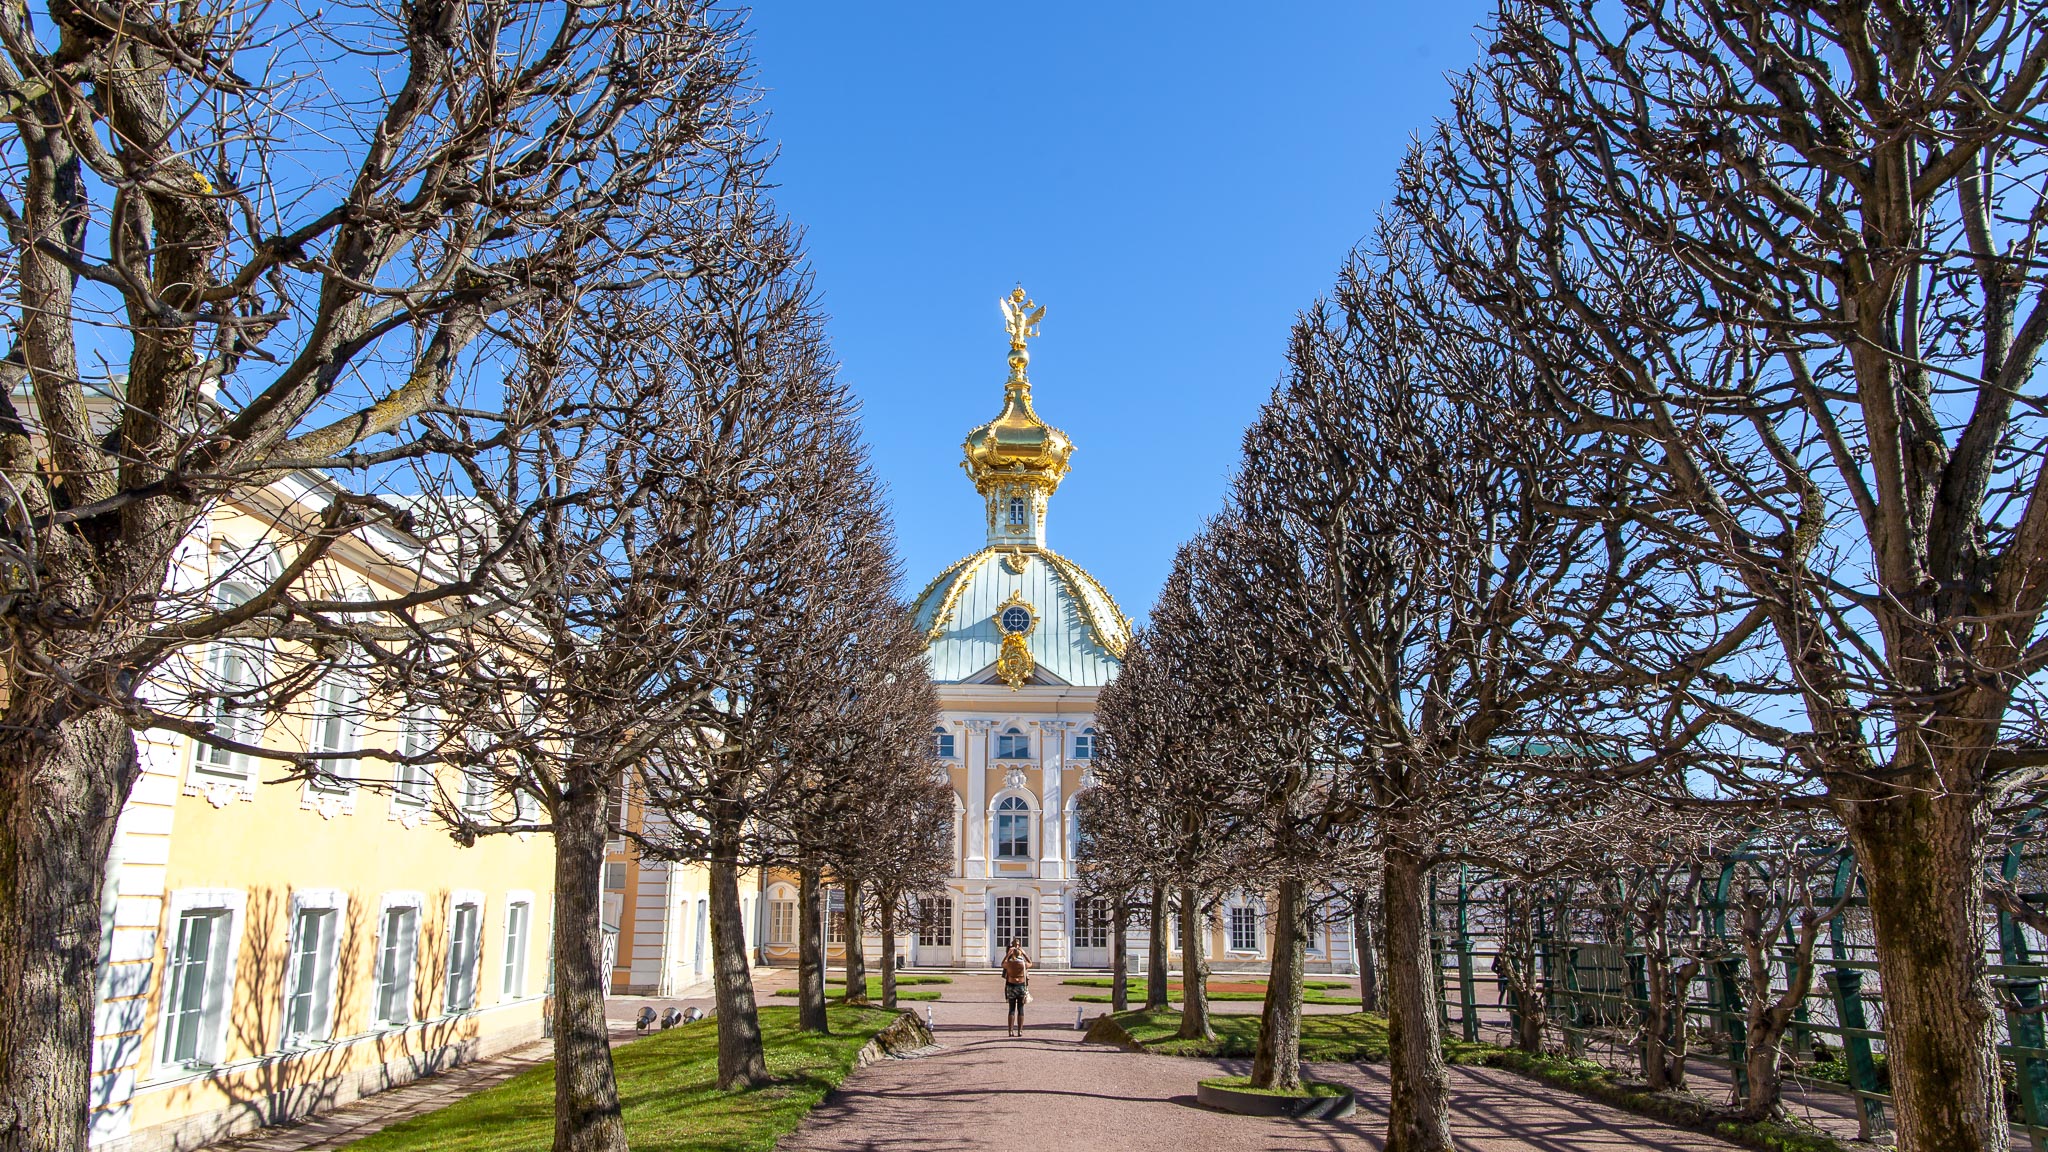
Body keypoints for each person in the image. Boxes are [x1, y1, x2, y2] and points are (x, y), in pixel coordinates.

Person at [1001, 939, 1032, 1036]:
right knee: (1021, 1009)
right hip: (1021, 986)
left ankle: (1010, 1031)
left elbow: (1003, 964)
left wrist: (1007, 954)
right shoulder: (1023, 964)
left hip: (1011, 985)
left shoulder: (1010, 963)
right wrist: (1025, 954)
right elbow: (1030, 963)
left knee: (1011, 1009)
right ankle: (1020, 1031)